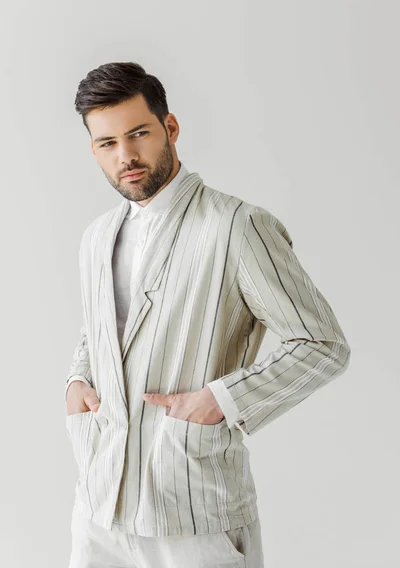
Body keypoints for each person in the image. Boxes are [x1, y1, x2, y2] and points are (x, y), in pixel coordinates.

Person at [65, 61, 351, 568]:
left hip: (193, 510)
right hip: (98, 506)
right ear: (93, 150)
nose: (126, 156)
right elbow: (102, 331)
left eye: (139, 134)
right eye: (107, 143)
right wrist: (76, 381)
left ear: (169, 128)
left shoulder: (237, 227)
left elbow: (322, 346)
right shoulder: (96, 237)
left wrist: (221, 399)